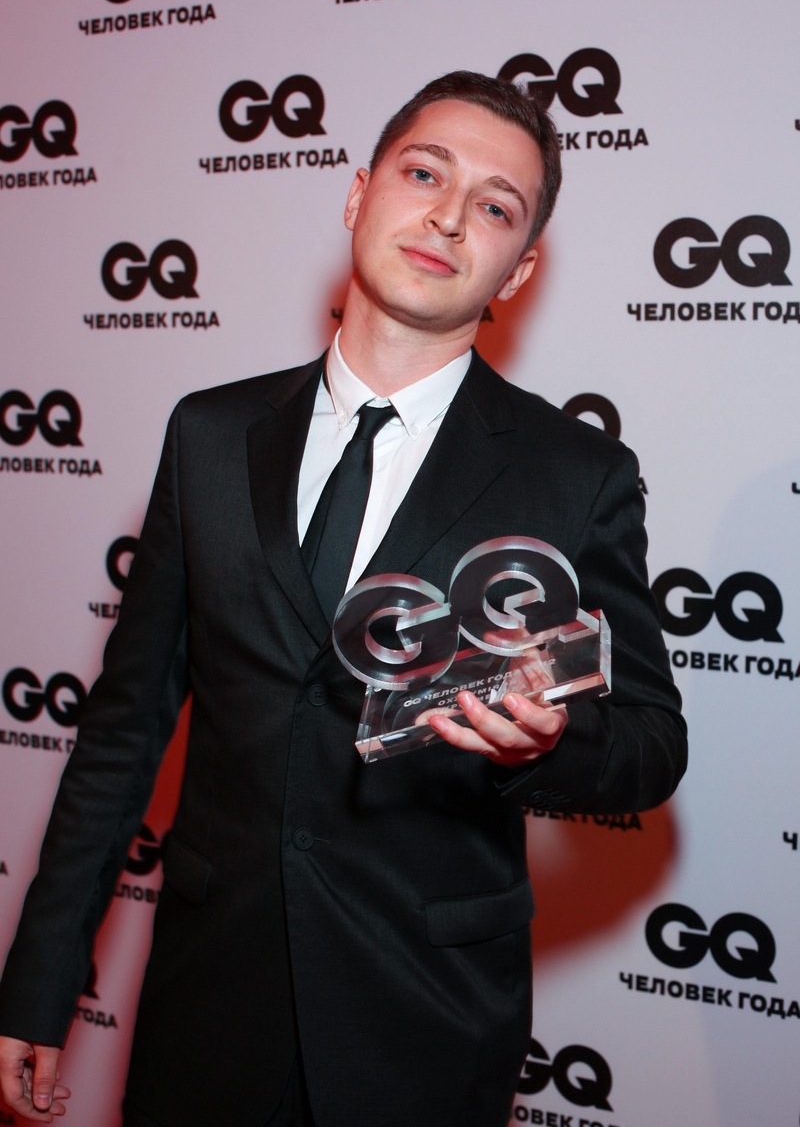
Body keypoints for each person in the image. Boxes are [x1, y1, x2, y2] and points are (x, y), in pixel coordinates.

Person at [0, 71, 687, 1127]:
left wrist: (547, 743)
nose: (448, 217)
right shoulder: (208, 435)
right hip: (206, 1003)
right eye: (424, 174)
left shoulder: (574, 473)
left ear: (518, 268)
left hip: (424, 1018)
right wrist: (43, 975)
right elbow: (123, 731)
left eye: (494, 207)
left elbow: (649, 742)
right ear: (359, 194)